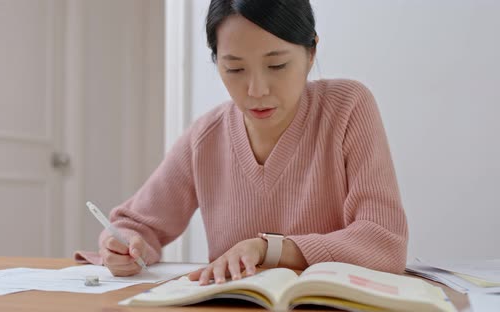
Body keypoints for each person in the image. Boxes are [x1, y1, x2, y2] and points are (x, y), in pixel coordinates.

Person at [98, 0, 408, 285]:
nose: (256, 90)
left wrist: (268, 249)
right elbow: (135, 225)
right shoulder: (207, 137)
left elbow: (384, 242)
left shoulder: (348, 108)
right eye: (235, 69)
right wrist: (125, 246)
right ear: (217, 62)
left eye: (277, 66)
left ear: (311, 51)